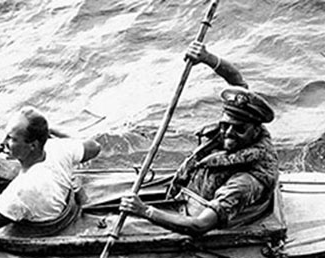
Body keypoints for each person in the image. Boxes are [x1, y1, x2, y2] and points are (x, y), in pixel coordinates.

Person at [119, 42, 279, 236]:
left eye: (238, 129)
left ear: (256, 130)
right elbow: (238, 82)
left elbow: (199, 225)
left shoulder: (246, 182)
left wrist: (145, 211)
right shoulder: (242, 130)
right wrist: (206, 57)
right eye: (225, 124)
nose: (228, 132)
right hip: (192, 193)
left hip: (200, 217)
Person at [0, 106, 101, 235]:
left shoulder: (23, 189)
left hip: (44, 227)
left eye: (12, 139)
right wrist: (47, 130)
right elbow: (94, 147)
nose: (3, 142)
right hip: (58, 207)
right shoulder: (59, 147)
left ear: (33, 145)